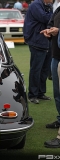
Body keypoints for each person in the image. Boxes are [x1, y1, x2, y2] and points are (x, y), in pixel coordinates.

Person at [23, 0, 53, 104]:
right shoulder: (36, 4)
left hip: (46, 41)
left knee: (44, 69)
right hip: (37, 40)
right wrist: (52, 15)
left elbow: (50, 21)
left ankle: (40, 93)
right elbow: (46, 18)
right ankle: (32, 95)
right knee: (36, 69)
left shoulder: (48, 5)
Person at [40, 0, 60, 148]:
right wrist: (49, 30)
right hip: (56, 55)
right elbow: (50, 22)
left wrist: (58, 31)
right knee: (57, 92)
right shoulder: (58, 9)